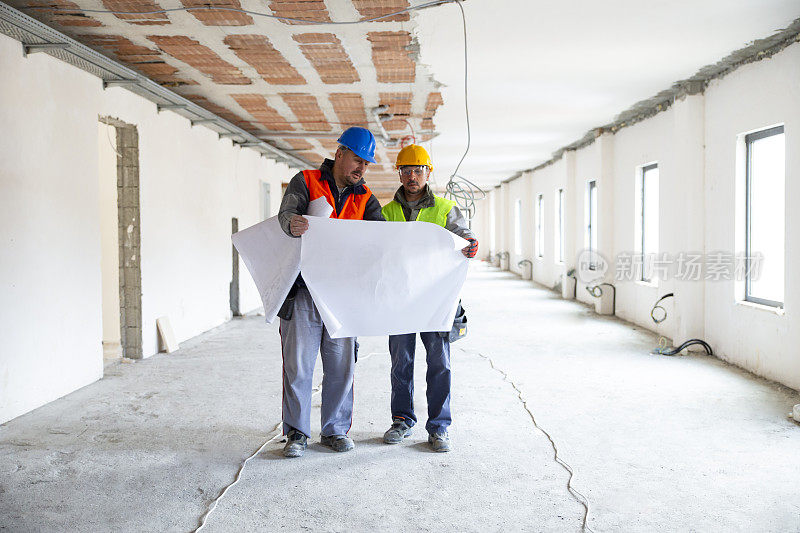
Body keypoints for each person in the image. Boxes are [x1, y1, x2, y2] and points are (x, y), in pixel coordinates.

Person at [276, 126, 385, 458]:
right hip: (304, 292)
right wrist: (292, 223)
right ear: (339, 153)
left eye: (366, 164)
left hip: (343, 298)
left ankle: (335, 431)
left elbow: (380, 239)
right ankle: (296, 433)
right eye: (357, 160)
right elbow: (286, 214)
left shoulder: (366, 198)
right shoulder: (306, 181)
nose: (361, 169)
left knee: (341, 366)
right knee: (298, 365)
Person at [380, 144, 478, 452]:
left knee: (440, 363)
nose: (412, 176)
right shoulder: (386, 212)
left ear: (428, 172)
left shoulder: (446, 209)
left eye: (418, 170)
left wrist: (470, 244)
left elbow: (464, 239)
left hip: (436, 299)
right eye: (406, 170)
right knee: (401, 363)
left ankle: (439, 426)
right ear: (399, 173)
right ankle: (402, 420)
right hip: (400, 300)